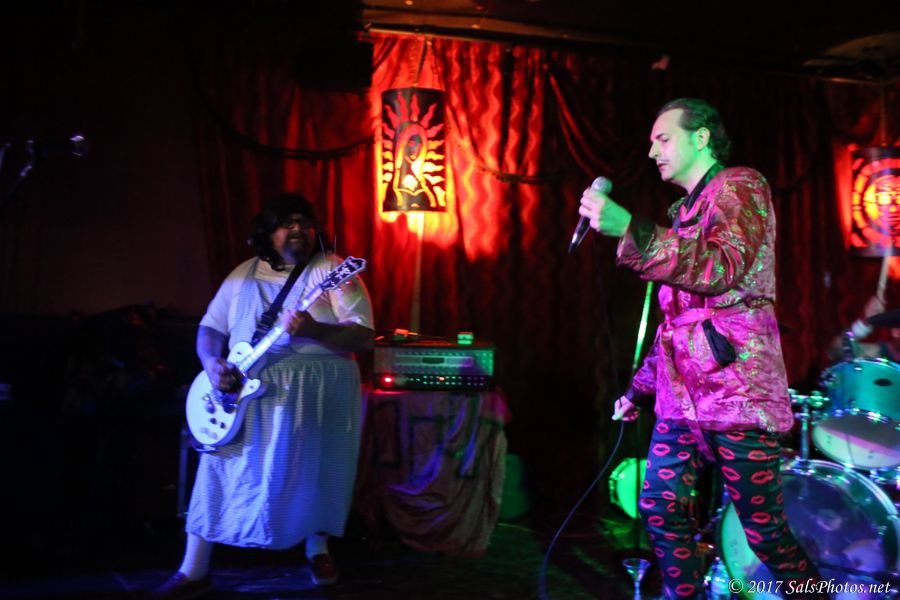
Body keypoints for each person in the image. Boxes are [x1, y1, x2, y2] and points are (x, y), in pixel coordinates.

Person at [579, 98, 826, 599]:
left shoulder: (740, 185)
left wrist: (632, 229)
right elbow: (676, 325)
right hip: (682, 399)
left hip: (736, 394)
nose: (653, 151)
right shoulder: (682, 215)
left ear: (701, 137)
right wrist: (638, 390)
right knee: (659, 506)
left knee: (764, 531)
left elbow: (720, 267)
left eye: (663, 138)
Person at [149, 193, 374, 599]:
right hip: (245, 388)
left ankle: (318, 550)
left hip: (318, 389)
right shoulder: (243, 273)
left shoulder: (333, 270)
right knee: (220, 469)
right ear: (267, 234)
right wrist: (211, 363)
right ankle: (192, 568)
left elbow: (363, 336)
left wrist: (314, 329)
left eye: (304, 222)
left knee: (319, 470)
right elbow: (210, 328)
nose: (298, 229)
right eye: (287, 223)